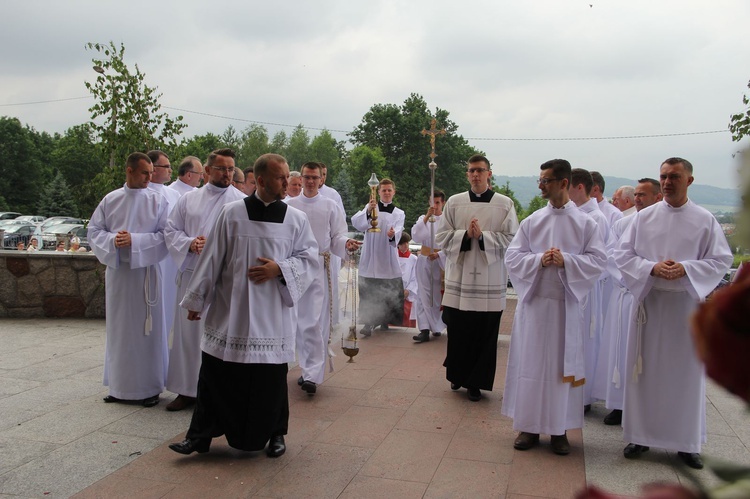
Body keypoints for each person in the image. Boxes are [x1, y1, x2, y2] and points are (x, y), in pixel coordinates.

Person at [169, 153, 319, 458]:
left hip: (271, 314)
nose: (287, 182)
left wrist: (279, 269)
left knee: (271, 380)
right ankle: (200, 437)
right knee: (216, 374)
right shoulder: (232, 213)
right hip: (231, 310)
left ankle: (276, 434)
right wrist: (197, 298)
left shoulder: (296, 219)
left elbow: (309, 259)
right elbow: (213, 257)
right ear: (261, 181)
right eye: (280, 177)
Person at [614, 157, 732, 470]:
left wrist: (687, 268)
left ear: (689, 181)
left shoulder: (704, 219)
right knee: (645, 374)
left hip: (685, 306)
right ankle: (639, 435)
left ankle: (686, 443)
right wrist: (651, 267)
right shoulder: (643, 217)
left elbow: (721, 259)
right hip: (650, 304)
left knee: (685, 377)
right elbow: (622, 255)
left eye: (674, 177)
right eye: (663, 176)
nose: (667, 182)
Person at [502, 159, 607, 455]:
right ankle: (529, 427)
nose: (540, 185)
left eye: (546, 180)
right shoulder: (533, 220)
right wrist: (538, 259)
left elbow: (599, 261)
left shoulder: (587, 223)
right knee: (531, 366)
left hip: (565, 307)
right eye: (540, 180)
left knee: (562, 370)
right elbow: (513, 257)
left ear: (564, 183)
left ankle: (559, 430)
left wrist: (567, 260)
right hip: (535, 306)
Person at [163, 148, 246, 411]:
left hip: (224, 278)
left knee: (220, 334)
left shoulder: (241, 202)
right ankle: (187, 390)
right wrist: (189, 243)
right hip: (192, 273)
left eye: (231, 169)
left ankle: (217, 392)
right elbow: (170, 229)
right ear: (208, 171)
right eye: (222, 168)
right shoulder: (188, 199)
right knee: (188, 335)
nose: (227, 173)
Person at [88, 152, 169, 407]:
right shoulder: (111, 199)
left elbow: (166, 235)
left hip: (146, 274)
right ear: (130, 171)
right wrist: (113, 240)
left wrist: (135, 240)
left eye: (151, 172)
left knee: (148, 332)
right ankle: (120, 387)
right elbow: (93, 231)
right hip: (119, 275)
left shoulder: (158, 200)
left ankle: (149, 388)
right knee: (120, 331)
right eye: (145, 172)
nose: (150, 177)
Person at [436, 154, 519, 401]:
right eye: (471, 171)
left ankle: (476, 382)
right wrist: (464, 235)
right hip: (460, 278)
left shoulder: (504, 204)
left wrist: (482, 237)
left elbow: (513, 239)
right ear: (467, 174)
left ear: (489, 173)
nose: (475, 175)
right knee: (459, 329)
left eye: (480, 171)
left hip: (489, 280)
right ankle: (457, 376)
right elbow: (441, 236)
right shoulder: (454, 202)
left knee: (484, 332)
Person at [592, 178, 662, 426]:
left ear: (658, 197)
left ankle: (647, 410)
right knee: (622, 353)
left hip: (655, 297)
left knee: (648, 355)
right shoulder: (624, 223)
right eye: (638, 195)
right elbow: (612, 256)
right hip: (626, 294)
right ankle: (620, 405)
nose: (640, 199)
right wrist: (637, 276)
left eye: (644, 195)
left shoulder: (664, 224)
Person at [286, 162, 360, 395]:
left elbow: (337, 235)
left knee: (315, 321)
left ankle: (312, 375)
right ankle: (306, 367)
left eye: (314, 177)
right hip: (295, 267)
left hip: (319, 267)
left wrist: (345, 243)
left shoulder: (330, 205)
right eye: (306, 176)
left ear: (321, 180)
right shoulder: (289, 205)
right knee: (297, 321)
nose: (309, 181)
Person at [567, 168, 610, 411]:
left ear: (579, 187)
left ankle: (583, 395)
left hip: (585, 289)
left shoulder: (595, 218)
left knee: (585, 340)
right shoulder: (575, 213)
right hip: (571, 285)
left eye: (568, 186)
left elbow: (599, 259)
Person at [351, 178, 405, 336]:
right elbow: (358, 223)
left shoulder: (399, 213)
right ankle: (368, 322)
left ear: (394, 192)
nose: (387, 193)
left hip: (387, 255)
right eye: (384, 190)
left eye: (389, 190)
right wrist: (368, 209)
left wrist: (393, 234)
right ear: (379, 192)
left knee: (389, 288)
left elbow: (399, 229)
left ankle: (385, 320)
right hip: (372, 255)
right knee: (370, 289)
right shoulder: (371, 208)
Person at [147, 150, 181, 337]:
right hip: (148, 257)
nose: (170, 170)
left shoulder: (173, 194)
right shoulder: (140, 193)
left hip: (171, 259)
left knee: (168, 303)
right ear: (153, 168)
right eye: (166, 166)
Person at [411, 190, 448, 343]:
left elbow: (452, 241)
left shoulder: (448, 220)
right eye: (432, 202)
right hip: (425, 259)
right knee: (423, 294)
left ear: (443, 203)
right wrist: (427, 217)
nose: (435, 206)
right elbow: (416, 236)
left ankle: (437, 326)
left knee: (438, 295)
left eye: (438, 203)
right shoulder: (423, 219)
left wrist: (440, 255)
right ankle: (424, 329)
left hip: (441, 261)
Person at [397, 232, 418, 328]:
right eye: (403, 243)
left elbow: (415, 277)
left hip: (408, 293)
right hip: (394, 291)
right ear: (398, 244)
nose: (406, 245)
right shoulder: (393, 257)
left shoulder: (414, 259)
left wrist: (408, 290)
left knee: (406, 321)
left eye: (407, 243)